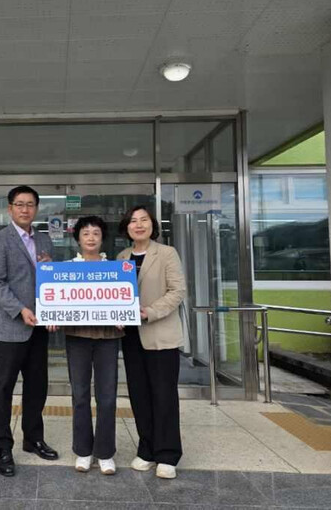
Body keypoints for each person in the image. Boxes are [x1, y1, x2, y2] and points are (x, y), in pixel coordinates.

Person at [0, 185, 58, 477]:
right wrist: (20, 309)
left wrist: (50, 270)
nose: (25, 209)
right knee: (3, 389)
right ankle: (3, 447)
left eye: (30, 204)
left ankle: (33, 438)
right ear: (10, 208)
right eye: (19, 204)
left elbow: (51, 281)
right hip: (9, 327)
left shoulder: (45, 240)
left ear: (36, 209)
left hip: (38, 327)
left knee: (37, 385)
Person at [117, 205, 186, 480]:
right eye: (133, 221)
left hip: (160, 335)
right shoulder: (122, 257)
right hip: (131, 337)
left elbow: (177, 291)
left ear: (152, 225)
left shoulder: (167, 253)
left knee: (164, 395)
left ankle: (168, 454)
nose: (139, 225)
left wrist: (149, 312)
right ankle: (146, 449)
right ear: (127, 228)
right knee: (139, 395)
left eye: (144, 220)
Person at [65, 216, 124, 475]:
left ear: (102, 238)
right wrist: (51, 315)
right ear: (78, 238)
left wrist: (124, 314)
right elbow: (55, 300)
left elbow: (125, 298)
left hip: (108, 338)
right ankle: (83, 450)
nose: (91, 238)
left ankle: (105, 452)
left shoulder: (116, 269)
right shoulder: (66, 269)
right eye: (86, 233)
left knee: (107, 397)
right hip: (77, 337)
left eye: (96, 233)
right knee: (80, 395)